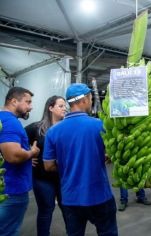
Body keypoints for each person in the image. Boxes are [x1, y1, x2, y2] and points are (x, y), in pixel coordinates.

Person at [43, 83, 118, 236]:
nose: (91, 102)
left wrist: (67, 166)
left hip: (71, 198)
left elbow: (48, 165)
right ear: (83, 100)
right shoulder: (100, 125)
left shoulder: (53, 131)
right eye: (90, 99)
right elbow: (111, 154)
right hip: (100, 195)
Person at [0, 87, 40, 236]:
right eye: (27, 102)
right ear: (14, 101)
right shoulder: (10, 122)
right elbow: (13, 155)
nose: (30, 106)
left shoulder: (2, 119)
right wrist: (32, 153)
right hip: (12, 190)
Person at [25, 95, 67, 236]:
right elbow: (14, 142)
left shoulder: (67, 127)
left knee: (68, 208)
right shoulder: (35, 128)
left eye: (65, 105)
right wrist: (27, 156)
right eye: (60, 106)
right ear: (50, 108)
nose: (64, 108)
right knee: (46, 210)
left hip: (63, 178)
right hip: (42, 179)